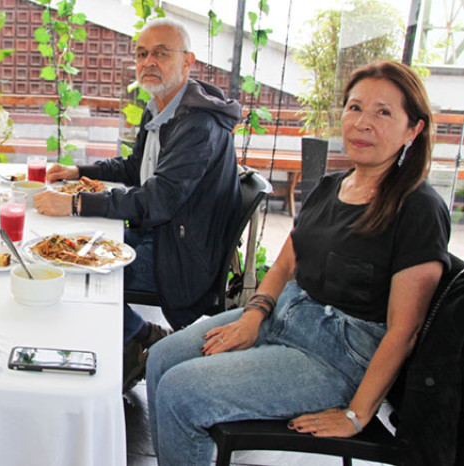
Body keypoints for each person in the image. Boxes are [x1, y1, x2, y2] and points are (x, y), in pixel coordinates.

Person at [144, 60, 450, 465]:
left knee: (181, 391)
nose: (363, 123)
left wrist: (357, 414)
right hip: (285, 316)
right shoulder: (330, 186)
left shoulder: (418, 208)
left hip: (338, 357)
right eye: (355, 108)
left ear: (414, 129)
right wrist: (253, 316)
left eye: (383, 112)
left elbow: (403, 332)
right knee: (162, 358)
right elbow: (286, 265)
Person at [32, 18, 242, 387]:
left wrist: (78, 204)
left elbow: (157, 199)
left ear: (188, 61)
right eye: (142, 53)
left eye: (161, 53)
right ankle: (137, 336)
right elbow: (134, 167)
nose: (148, 62)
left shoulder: (198, 125)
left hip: (181, 257)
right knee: (59, 249)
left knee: (69, 269)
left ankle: (131, 339)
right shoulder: (161, 107)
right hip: (159, 238)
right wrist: (76, 170)